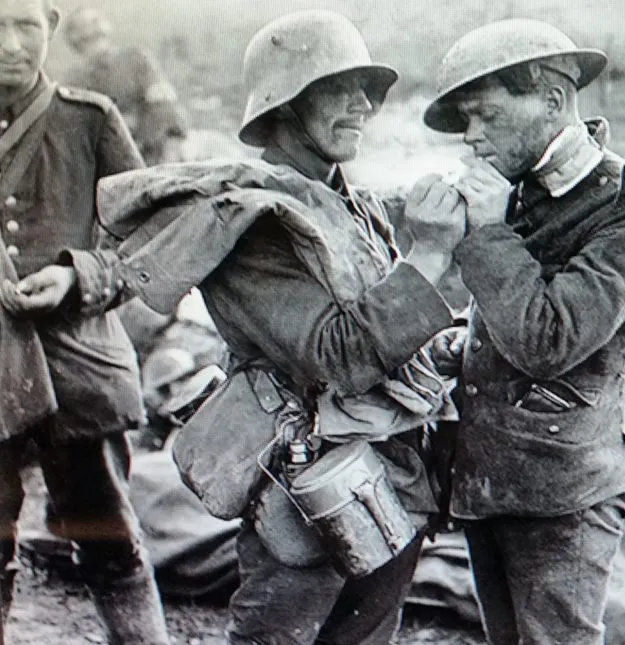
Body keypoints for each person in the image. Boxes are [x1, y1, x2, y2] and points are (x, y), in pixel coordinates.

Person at [5, 10, 469, 645]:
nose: (363, 104)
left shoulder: (352, 205)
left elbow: (383, 332)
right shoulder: (253, 221)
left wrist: (439, 346)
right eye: (340, 88)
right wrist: (430, 257)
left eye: (366, 89)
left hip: (392, 483)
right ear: (285, 102)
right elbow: (338, 356)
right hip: (309, 493)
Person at [421, 19, 625, 645]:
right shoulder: (520, 190)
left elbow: (548, 341)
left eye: (486, 114)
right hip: (492, 478)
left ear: (553, 99)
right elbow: (510, 314)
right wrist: (460, 345)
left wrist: (487, 234)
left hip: (564, 494)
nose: (472, 136)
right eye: (465, 120)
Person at [0, 0, 171, 643]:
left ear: (50, 27)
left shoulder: (88, 120)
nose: (10, 44)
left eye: (25, 25)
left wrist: (80, 278)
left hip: (78, 367)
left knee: (108, 535)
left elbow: (154, 241)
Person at [61, 6, 186, 164]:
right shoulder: (73, 82)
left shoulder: (136, 60)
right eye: (85, 33)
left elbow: (164, 108)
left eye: (94, 24)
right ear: (76, 41)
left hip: (153, 151)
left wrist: (167, 153)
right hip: (107, 160)